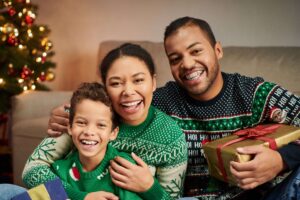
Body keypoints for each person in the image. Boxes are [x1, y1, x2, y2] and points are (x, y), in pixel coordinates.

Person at [47, 17, 300, 199]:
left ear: (218, 50)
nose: (187, 64)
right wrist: (70, 114)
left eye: (196, 51)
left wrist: (281, 160)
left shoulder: (254, 94)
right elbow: (111, 107)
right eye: (175, 58)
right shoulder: (161, 100)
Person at [22, 44, 188, 200]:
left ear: (153, 83)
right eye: (116, 83)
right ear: (105, 88)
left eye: (138, 80)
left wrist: (150, 187)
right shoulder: (85, 118)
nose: (128, 91)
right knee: (6, 191)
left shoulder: (170, 136)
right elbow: (32, 170)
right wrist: (79, 197)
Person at [52, 82, 143, 199]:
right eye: (81, 122)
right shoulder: (60, 169)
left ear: (113, 133)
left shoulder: (123, 168)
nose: (89, 132)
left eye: (100, 125)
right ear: (70, 128)